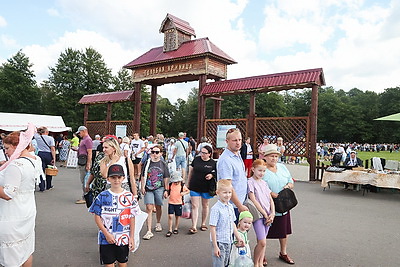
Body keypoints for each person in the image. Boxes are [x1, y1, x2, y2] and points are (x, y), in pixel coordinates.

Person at [0, 124, 43, 267]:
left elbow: (7, 194)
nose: (5, 152)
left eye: (7, 148)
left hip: (12, 215)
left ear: (18, 145)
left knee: (10, 256)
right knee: (25, 251)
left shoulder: (15, 165)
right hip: (27, 212)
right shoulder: (35, 160)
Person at [89, 164, 137, 267]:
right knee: (109, 264)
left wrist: (132, 237)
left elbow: (132, 217)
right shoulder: (101, 196)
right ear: (108, 179)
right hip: (105, 238)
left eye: (119, 177)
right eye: (113, 177)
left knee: (122, 263)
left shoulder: (129, 196)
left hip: (123, 237)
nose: (116, 180)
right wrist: (106, 234)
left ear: (123, 178)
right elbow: (97, 217)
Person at [262, 144, 295, 265]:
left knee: (284, 230)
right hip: (268, 205)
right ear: (265, 157)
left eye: (276, 156)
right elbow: (258, 185)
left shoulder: (282, 167)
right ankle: (262, 254)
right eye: (271, 156)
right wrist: (271, 193)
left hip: (283, 205)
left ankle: (283, 252)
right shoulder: (263, 169)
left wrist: (287, 186)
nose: (274, 158)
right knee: (264, 231)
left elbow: (291, 181)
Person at [209, 179, 244, 267]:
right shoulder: (216, 209)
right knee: (219, 264)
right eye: (225, 192)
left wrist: (238, 237)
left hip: (229, 241)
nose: (227, 195)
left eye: (229, 192)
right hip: (219, 242)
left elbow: (232, 223)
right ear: (218, 192)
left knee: (226, 263)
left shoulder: (230, 207)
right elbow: (212, 228)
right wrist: (215, 246)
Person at [216, 128, 248, 222]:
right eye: (234, 140)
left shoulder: (237, 154)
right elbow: (228, 186)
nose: (238, 143)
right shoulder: (226, 160)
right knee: (231, 235)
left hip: (241, 201)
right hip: (232, 206)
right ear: (227, 141)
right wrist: (239, 206)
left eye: (240, 140)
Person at [248, 159, 275, 266]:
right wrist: (264, 213)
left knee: (263, 243)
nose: (261, 173)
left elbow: (270, 199)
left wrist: (272, 213)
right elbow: (253, 199)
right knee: (262, 241)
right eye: (259, 171)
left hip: (268, 214)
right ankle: (255, 263)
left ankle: (260, 262)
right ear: (253, 169)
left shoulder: (264, 183)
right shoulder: (250, 182)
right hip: (259, 215)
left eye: (264, 171)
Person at [140, 145, 170, 240]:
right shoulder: (147, 163)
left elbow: (166, 177)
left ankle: (158, 222)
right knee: (149, 207)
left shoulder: (163, 164)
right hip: (148, 187)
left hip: (159, 188)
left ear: (161, 153)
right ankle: (149, 230)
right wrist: (142, 186)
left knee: (158, 206)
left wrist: (166, 189)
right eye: (153, 152)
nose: (155, 154)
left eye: (157, 152)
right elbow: (143, 175)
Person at [187, 145, 216, 234]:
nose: (202, 154)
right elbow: (191, 171)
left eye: (204, 153)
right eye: (201, 152)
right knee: (195, 206)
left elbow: (217, 173)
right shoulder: (196, 159)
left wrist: (212, 175)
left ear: (209, 154)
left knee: (205, 205)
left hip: (206, 187)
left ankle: (203, 223)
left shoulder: (213, 163)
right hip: (195, 185)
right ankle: (194, 225)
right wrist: (187, 183)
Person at [165, 171, 189, 237]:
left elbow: (188, 191)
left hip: (179, 203)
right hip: (171, 202)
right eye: (175, 181)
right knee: (170, 216)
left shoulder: (182, 185)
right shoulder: (170, 185)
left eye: (177, 181)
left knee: (177, 216)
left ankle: (176, 228)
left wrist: (183, 193)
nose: (176, 183)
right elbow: (167, 190)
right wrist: (166, 193)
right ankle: (169, 229)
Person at [34, 126, 56, 191]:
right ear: (46, 132)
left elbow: (34, 131)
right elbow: (52, 149)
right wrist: (54, 158)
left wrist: (38, 129)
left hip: (40, 153)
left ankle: (42, 186)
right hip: (48, 154)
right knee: (49, 169)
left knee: (41, 170)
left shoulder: (37, 137)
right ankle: (48, 185)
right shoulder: (50, 138)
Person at [75, 126, 93, 204]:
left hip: (85, 161)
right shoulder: (84, 139)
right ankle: (85, 196)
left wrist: (88, 163)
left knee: (85, 180)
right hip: (82, 160)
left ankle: (85, 197)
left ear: (83, 131)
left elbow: (90, 152)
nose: (79, 134)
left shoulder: (88, 140)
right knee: (84, 179)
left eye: (79, 132)